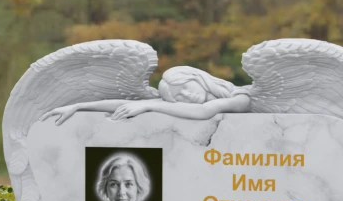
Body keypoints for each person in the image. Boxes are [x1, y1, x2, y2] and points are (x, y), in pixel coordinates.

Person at [40, 66, 251, 124]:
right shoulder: (183, 106)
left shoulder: (241, 97)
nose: (187, 96)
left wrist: (149, 106)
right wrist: (79, 106)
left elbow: (205, 112)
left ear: (197, 77)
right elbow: (125, 103)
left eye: (186, 86)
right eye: (178, 97)